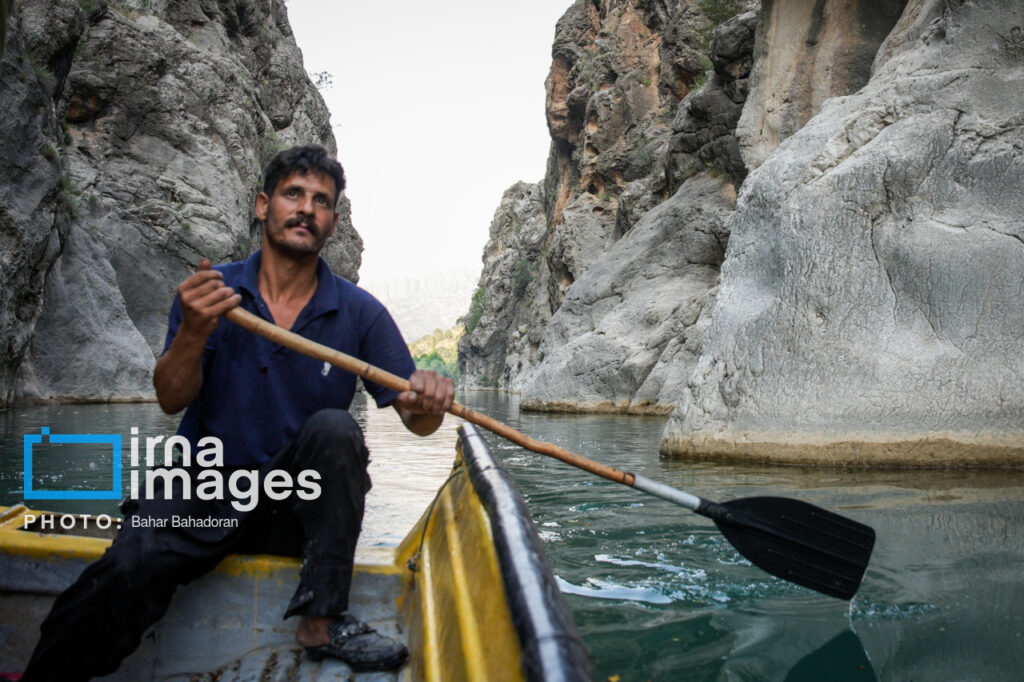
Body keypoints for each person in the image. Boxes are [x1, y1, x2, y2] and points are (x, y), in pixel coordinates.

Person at [23, 145, 455, 679]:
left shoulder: (361, 312)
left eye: (321, 201)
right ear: (262, 205)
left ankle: (322, 618)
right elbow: (170, 397)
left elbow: (418, 419)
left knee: (336, 429)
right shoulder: (212, 294)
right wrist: (195, 331)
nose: (306, 208)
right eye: (293, 193)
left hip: (291, 513)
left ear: (333, 224)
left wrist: (431, 400)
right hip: (201, 495)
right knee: (128, 565)